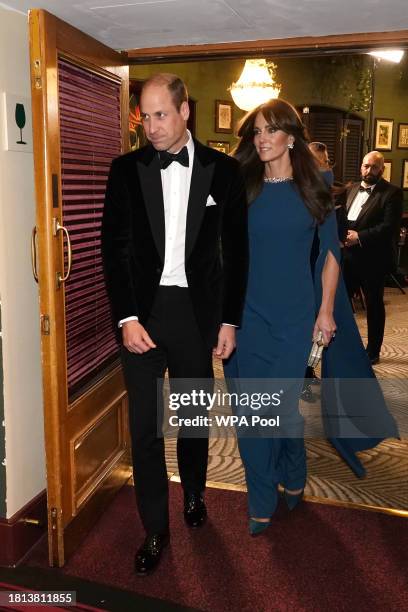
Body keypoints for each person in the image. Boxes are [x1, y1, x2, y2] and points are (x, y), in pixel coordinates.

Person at [102, 73, 248, 573]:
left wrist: (229, 321)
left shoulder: (223, 171)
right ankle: (154, 531)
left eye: (162, 114)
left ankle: (193, 494)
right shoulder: (125, 170)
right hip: (141, 316)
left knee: (189, 419)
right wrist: (125, 317)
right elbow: (113, 251)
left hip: (194, 317)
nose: (152, 127)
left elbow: (236, 253)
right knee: (144, 428)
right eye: (145, 116)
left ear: (185, 111)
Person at [224, 98, 340, 535]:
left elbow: (330, 254)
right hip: (243, 316)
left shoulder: (316, 186)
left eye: (271, 130)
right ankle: (261, 501)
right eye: (257, 131)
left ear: (291, 136)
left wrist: (325, 311)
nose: (262, 139)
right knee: (249, 413)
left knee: (278, 409)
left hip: (293, 316)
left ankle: (293, 469)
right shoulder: (242, 184)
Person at [342, 151, 403, 364]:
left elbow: (388, 227)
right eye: (366, 166)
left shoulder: (392, 193)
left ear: (381, 169)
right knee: (340, 305)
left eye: (374, 167)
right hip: (346, 258)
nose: (369, 171)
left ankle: (373, 351)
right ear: (361, 166)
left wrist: (359, 237)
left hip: (373, 260)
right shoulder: (350, 190)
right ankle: (342, 346)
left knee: (374, 306)